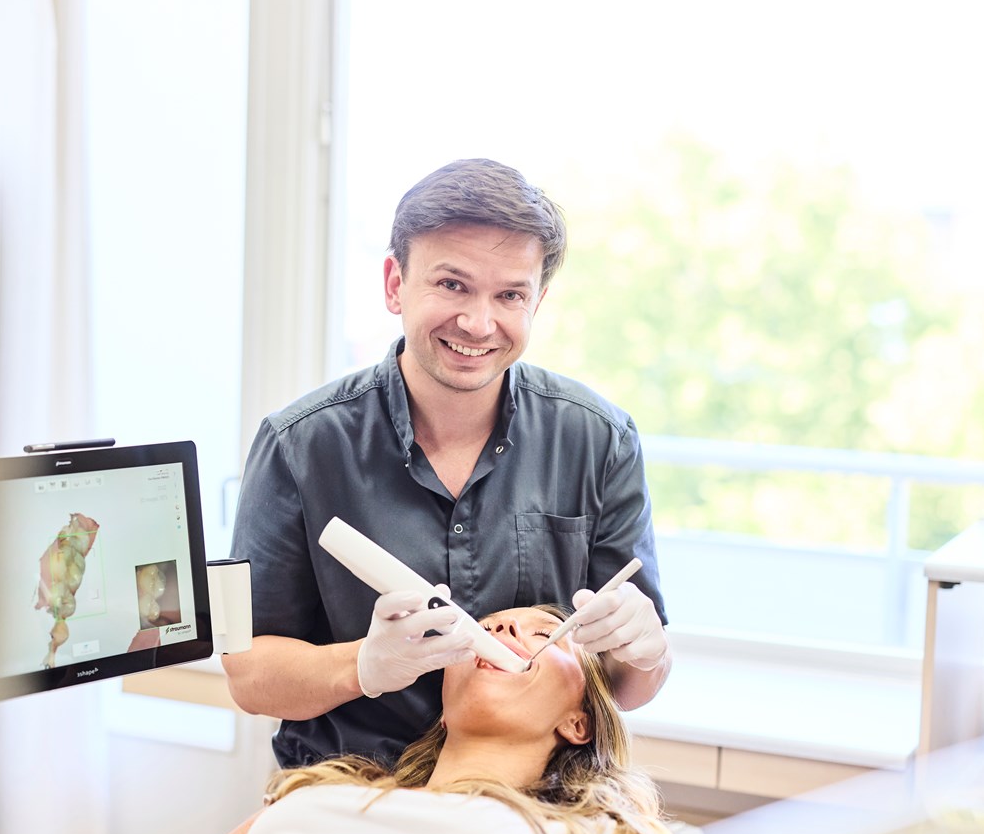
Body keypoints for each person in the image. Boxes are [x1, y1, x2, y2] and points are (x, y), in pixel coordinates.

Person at [225, 158, 672, 770]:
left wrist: (646, 653)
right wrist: (363, 665)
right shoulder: (300, 446)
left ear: (537, 301)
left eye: (510, 295)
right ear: (395, 284)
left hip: (526, 799)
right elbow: (250, 677)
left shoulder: (599, 440)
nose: (478, 323)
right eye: (453, 285)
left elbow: (627, 686)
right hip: (351, 790)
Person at [63, 606, 675, 834]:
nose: (502, 633)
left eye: (542, 634)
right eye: (487, 627)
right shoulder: (326, 790)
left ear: (578, 722)